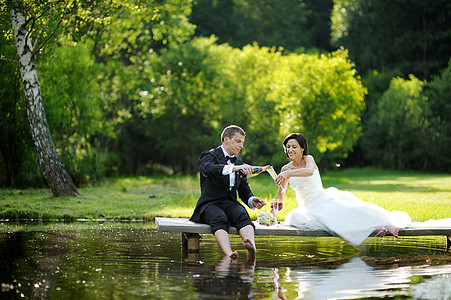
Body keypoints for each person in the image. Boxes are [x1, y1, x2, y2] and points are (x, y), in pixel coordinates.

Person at [272, 133, 412, 246]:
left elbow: (309, 171)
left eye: (294, 147)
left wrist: (287, 174)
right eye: (288, 147)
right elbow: (281, 193)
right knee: (298, 218)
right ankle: (369, 230)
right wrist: (274, 209)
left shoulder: (308, 159)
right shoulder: (285, 169)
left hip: (321, 197)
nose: (290, 150)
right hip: (307, 205)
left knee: (343, 209)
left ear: (302, 148)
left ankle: (385, 223)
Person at [190, 125, 266, 259]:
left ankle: (251, 247)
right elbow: (208, 169)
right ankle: (229, 253)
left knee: (242, 214)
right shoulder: (209, 156)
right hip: (210, 204)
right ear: (226, 139)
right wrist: (234, 168)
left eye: (242, 142)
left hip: (230, 203)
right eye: (238, 141)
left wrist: (252, 199)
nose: (241, 146)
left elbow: (244, 191)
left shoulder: (238, 163)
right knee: (219, 218)